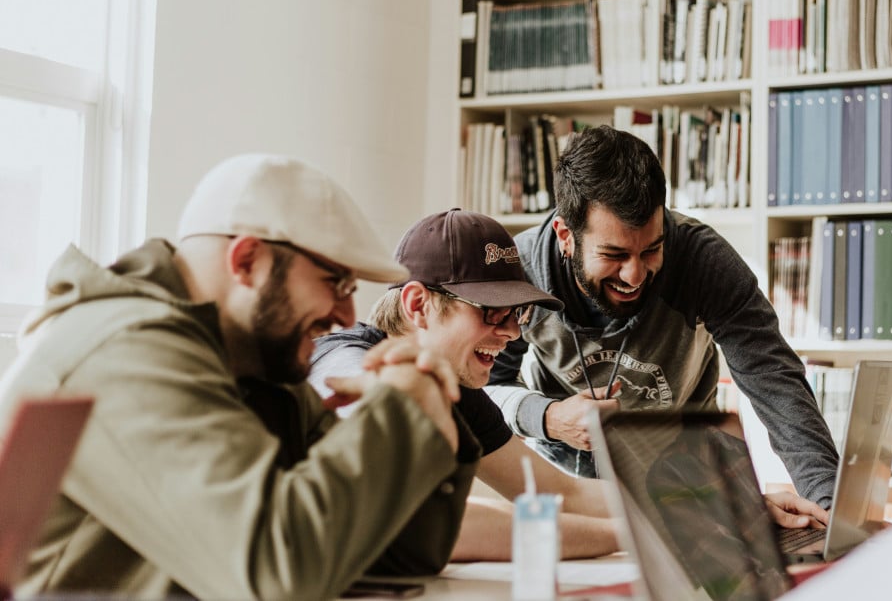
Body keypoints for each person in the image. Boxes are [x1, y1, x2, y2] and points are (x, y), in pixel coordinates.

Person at [0, 154, 478, 599]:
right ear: (247, 261)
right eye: (335, 282)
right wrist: (400, 412)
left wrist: (430, 411)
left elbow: (393, 557)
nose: (347, 314)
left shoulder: (254, 363)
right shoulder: (125, 351)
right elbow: (275, 574)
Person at [484, 124, 840, 517]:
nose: (635, 275)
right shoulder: (520, 271)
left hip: (685, 478)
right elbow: (484, 388)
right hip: (567, 486)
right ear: (566, 235)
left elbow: (774, 380)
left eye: (651, 249)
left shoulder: (703, 260)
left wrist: (829, 508)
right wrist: (547, 417)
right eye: (614, 255)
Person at [309, 208, 620, 561]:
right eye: (492, 310)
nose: (513, 333)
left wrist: (671, 509)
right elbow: (426, 521)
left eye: (516, 313)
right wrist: (629, 536)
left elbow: (559, 493)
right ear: (418, 305)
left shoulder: (455, 388)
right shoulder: (343, 362)